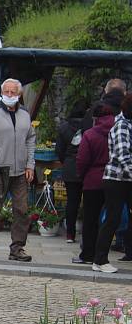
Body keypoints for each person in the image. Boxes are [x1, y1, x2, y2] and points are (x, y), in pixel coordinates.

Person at [0, 78, 36, 262]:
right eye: (7, 92)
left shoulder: (25, 114)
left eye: (13, 92)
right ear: (2, 93)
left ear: (19, 94)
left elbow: (30, 139)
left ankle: (17, 247)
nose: (10, 95)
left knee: (22, 210)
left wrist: (30, 165)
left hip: (19, 170)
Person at [92, 93, 132, 273]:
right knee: (112, 219)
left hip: (126, 178)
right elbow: (124, 155)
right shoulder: (122, 126)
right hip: (116, 179)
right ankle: (99, 260)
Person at [74, 103, 116, 266]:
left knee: (90, 220)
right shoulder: (119, 131)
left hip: (93, 179)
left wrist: (82, 175)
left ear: (95, 118)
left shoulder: (90, 134)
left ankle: (88, 254)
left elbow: (82, 159)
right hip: (115, 180)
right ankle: (105, 253)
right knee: (112, 219)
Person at [56, 100, 90, 243]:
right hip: (88, 168)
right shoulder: (90, 127)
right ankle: (88, 234)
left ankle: (70, 234)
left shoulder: (64, 127)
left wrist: (67, 161)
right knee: (89, 202)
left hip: (70, 167)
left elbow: (59, 150)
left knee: (72, 202)